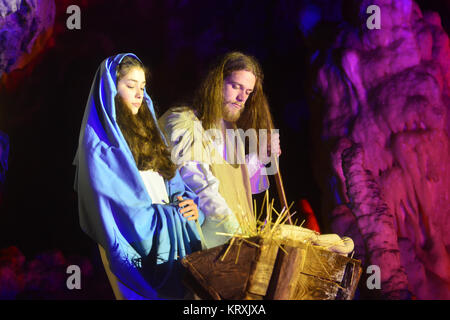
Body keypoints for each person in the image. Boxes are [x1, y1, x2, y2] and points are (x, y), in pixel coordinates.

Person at [73, 53, 205, 300]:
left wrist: (188, 205)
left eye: (142, 87)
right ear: (111, 88)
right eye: (130, 86)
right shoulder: (100, 149)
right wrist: (169, 217)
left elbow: (172, 180)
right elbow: (120, 212)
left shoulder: (149, 130)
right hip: (137, 247)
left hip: (173, 245)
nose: (139, 95)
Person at [159, 51, 281, 248]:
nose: (242, 97)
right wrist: (233, 233)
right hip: (209, 243)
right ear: (217, 82)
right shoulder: (184, 122)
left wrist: (260, 157)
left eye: (248, 92)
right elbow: (200, 185)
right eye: (236, 87)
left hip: (237, 242)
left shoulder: (230, 131)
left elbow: (235, 184)